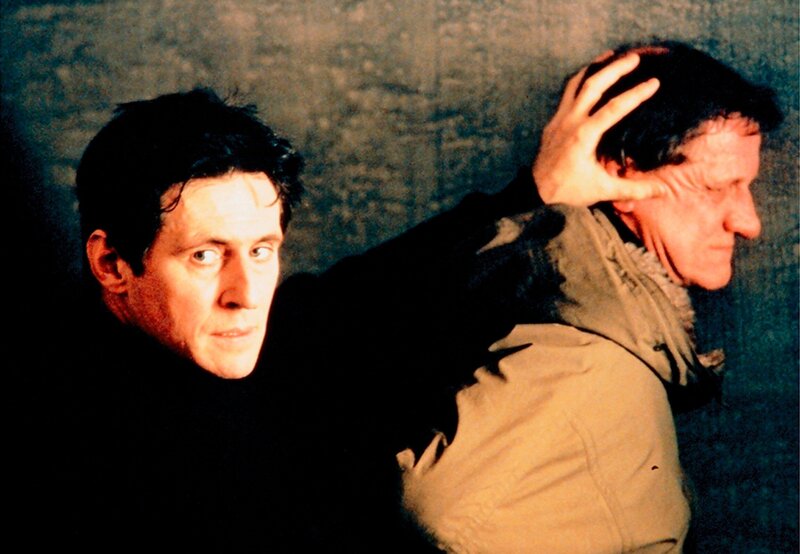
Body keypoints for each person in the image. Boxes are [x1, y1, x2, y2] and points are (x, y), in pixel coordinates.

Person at [10, 54, 662, 550]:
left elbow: (360, 293)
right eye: (205, 255)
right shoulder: (70, 445)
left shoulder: (254, 336)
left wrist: (535, 191)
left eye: (261, 249)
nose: (247, 295)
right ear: (112, 264)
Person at [397, 41, 783, 553]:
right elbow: (452, 523)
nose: (749, 223)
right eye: (715, 187)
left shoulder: (603, 334)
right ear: (622, 170)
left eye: (746, 187)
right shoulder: (587, 366)